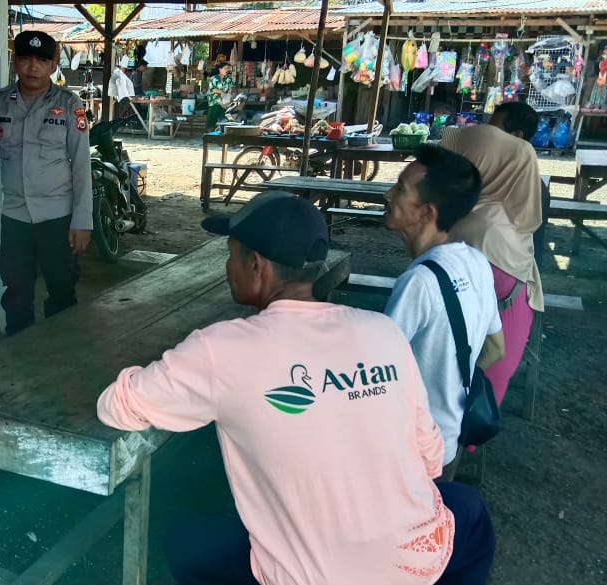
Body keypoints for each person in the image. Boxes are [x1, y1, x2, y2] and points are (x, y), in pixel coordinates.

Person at [97, 191, 496, 585]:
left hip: (313, 576)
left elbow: (117, 405)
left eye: (231, 255)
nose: (227, 267)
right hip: (417, 559)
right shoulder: (384, 332)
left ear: (256, 265)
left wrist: (149, 367)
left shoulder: (221, 349)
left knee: (186, 537)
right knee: (469, 510)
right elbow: (430, 459)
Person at [0, 31, 92, 335]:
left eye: (42, 60)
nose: (32, 67)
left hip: (57, 216)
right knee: (15, 290)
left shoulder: (69, 104)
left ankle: (61, 352)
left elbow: (81, 165)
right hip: (14, 215)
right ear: (15, 61)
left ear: (54, 64)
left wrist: (83, 221)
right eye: (25, 59)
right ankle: (18, 354)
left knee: (62, 288)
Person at [383, 145, 505, 465]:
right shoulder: (476, 261)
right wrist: (450, 383)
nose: (387, 194)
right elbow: (496, 348)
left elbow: (378, 371)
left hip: (411, 449)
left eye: (399, 189)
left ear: (426, 213)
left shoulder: (418, 283)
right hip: (448, 440)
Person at [440, 106, 543, 406]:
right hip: (514, 301)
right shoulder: (518, 192)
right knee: (477, 399)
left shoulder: (459, 219)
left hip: (445, 396)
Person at [488, 102, 551, 269]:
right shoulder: (502, 172)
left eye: (493, 130)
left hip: (510, 277)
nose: (485, 135)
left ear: (517, 135)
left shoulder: (525, 185)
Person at [206, 61, 234, 132]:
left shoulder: (229, 78)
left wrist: (228, 95)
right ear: (220, 69)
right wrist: (221, 92)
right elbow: (212, 89)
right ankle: (210, 135)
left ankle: (222, 135)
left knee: (223, 119)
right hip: (214, 102)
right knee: (212, 119)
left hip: (225, 103)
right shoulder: (214, 78)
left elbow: (230, 88)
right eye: (225, 68)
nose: (227, 70)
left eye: (228, 68)